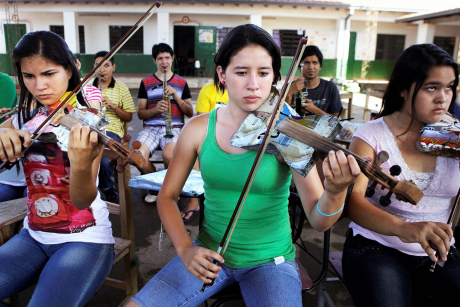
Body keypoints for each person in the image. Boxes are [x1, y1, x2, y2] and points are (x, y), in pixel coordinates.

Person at [126, 24, 360, 307]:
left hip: (271, 260)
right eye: (241, 72)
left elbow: (319, 219)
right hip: (209, 252)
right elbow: (167, 196)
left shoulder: (288, 132)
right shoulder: (199, 129)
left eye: (264, 73)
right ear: (222, 74)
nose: (253, 84)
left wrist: (335, 192)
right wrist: (186, 248)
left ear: (274, 76)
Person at [0, 31, 114, 306]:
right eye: (29, 76)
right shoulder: (19, 120)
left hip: (85, 239)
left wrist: (80, 163)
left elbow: (82, 199)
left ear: (69, 69)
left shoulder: (88, 121)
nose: (39, 86)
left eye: (49, 73)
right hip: (32, 235)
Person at [342, 44, 460, 307]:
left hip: (438, 251)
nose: (443, 97)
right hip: (376, 245)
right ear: (403, 89)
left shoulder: (454, 135)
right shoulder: (371, 135)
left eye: (449, 87)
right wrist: (404, 228)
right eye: (432, 87)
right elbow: (354, 202)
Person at [136, 43, 193, 204]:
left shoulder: (181, 82)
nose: (164, 61)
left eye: (167, 57)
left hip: (173, 127)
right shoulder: (146, 82)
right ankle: (156, 186)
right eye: (160, 58)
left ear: (172, 58)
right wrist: (154, 110)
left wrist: (176, 96)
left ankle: (171, 188)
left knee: (170, 155)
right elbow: (140, 113)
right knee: (137, 157)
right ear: (155, 60)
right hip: (151, 128)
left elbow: (189, 112)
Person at [92, 51, 136, 202]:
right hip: (89, 129)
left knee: (105, 161)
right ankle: (86, 190)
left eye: (106, 65)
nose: (102, 69)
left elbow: (129, 117)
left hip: (111, 131)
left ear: (113, 67)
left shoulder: (121, 88)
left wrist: (112, 105)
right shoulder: (86, 88)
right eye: (98, 64)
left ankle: (106, 188)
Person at [285, 45, 342, 116]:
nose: (311, 67)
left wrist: (315, 110)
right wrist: (289, 94)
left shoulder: (330, 87)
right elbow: (282, 116)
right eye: (307, 63)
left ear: (320, 66)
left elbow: (335, 119)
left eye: (315, 63)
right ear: (299, 67)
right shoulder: (290, 87)